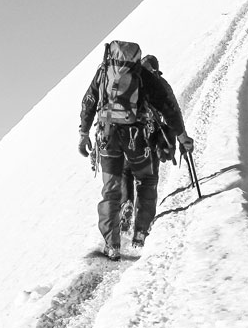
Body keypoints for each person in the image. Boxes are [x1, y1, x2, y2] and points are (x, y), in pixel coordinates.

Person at [77, 46, 187, 261]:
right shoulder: (144, 76)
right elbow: (168, 107)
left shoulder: (104, 72)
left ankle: (112, 245)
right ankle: (140, 233)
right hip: (136, 137)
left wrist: (83, 134)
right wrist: (182, 138)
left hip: (107, 136)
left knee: (110, 190)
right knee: (147, 180)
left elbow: (88, 102)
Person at [118, 55, 195, 234]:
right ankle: (142, 227)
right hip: (152, 136)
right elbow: (172, 111)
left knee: (126, 171)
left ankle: (126, 203)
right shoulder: (160, 84)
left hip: (129, 135)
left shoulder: (130, 82)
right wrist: (182, 137)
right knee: (149, 178)